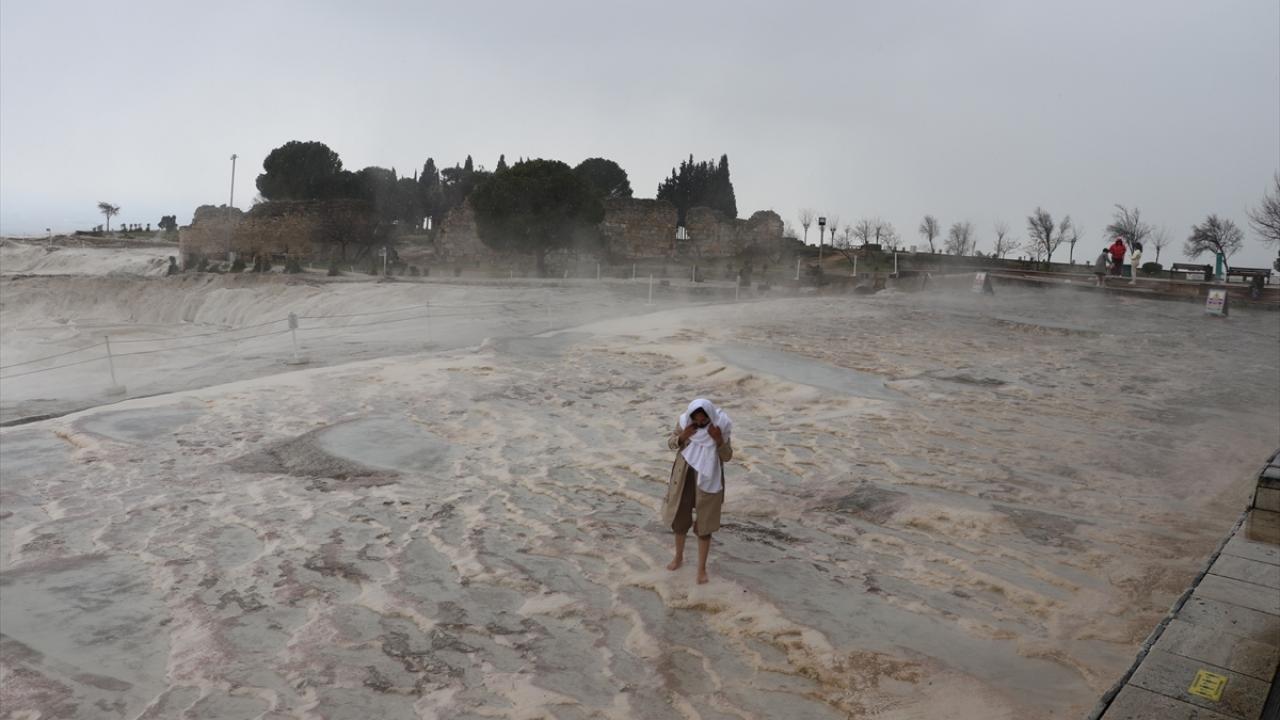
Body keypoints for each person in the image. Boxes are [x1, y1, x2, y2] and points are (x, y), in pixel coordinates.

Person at [662, 398, 733, 584]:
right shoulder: (685, 422)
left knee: (705, 525)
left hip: (709, 479)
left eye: (704, 420)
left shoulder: (721, 425)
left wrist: (718, 439)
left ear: (710, 416)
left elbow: (727, 456)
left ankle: (701, 569)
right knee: (680, 520)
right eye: (697, 420)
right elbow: (670, 443)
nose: (700, 423)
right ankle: (678, 557)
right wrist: (683, 436)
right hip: (684, 477)